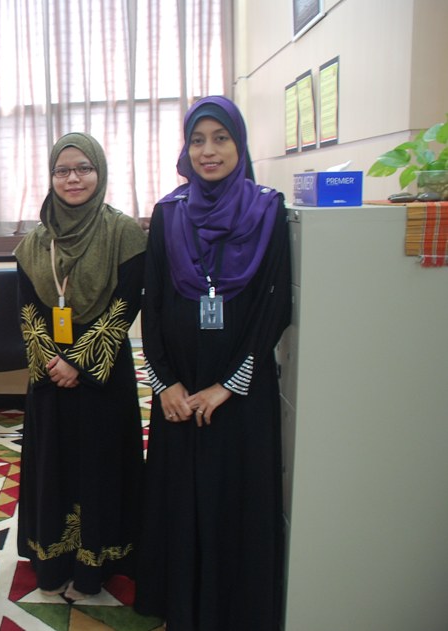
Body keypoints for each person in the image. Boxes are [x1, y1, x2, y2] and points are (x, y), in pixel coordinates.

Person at [133, 96, 292, 630]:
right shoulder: (168, 213)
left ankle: (232, 613)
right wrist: (165, 384)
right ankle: (180, 608)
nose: (209, 151)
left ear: (240, 144)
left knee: (235, 500)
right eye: (198, 140)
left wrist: (229, 384)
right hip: (179, 389)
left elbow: (275, 308)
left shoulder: (268, 210)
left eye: (221, 138)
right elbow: (152, 306)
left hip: (240, 393)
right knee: (180, 500)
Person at [14, 132, 148, 600]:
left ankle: (97, 567)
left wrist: (78, 364)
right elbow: (27, 309)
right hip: (49, 378)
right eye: (62, 171)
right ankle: (53, 563)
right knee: (55, 466)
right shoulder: (35, 241)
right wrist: (52, 362)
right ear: (51, 176)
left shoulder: (123, 233)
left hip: (101, 380)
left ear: (100, 172)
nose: (73, 179)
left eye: (83, 168)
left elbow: (125, 306)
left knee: (100, 466)